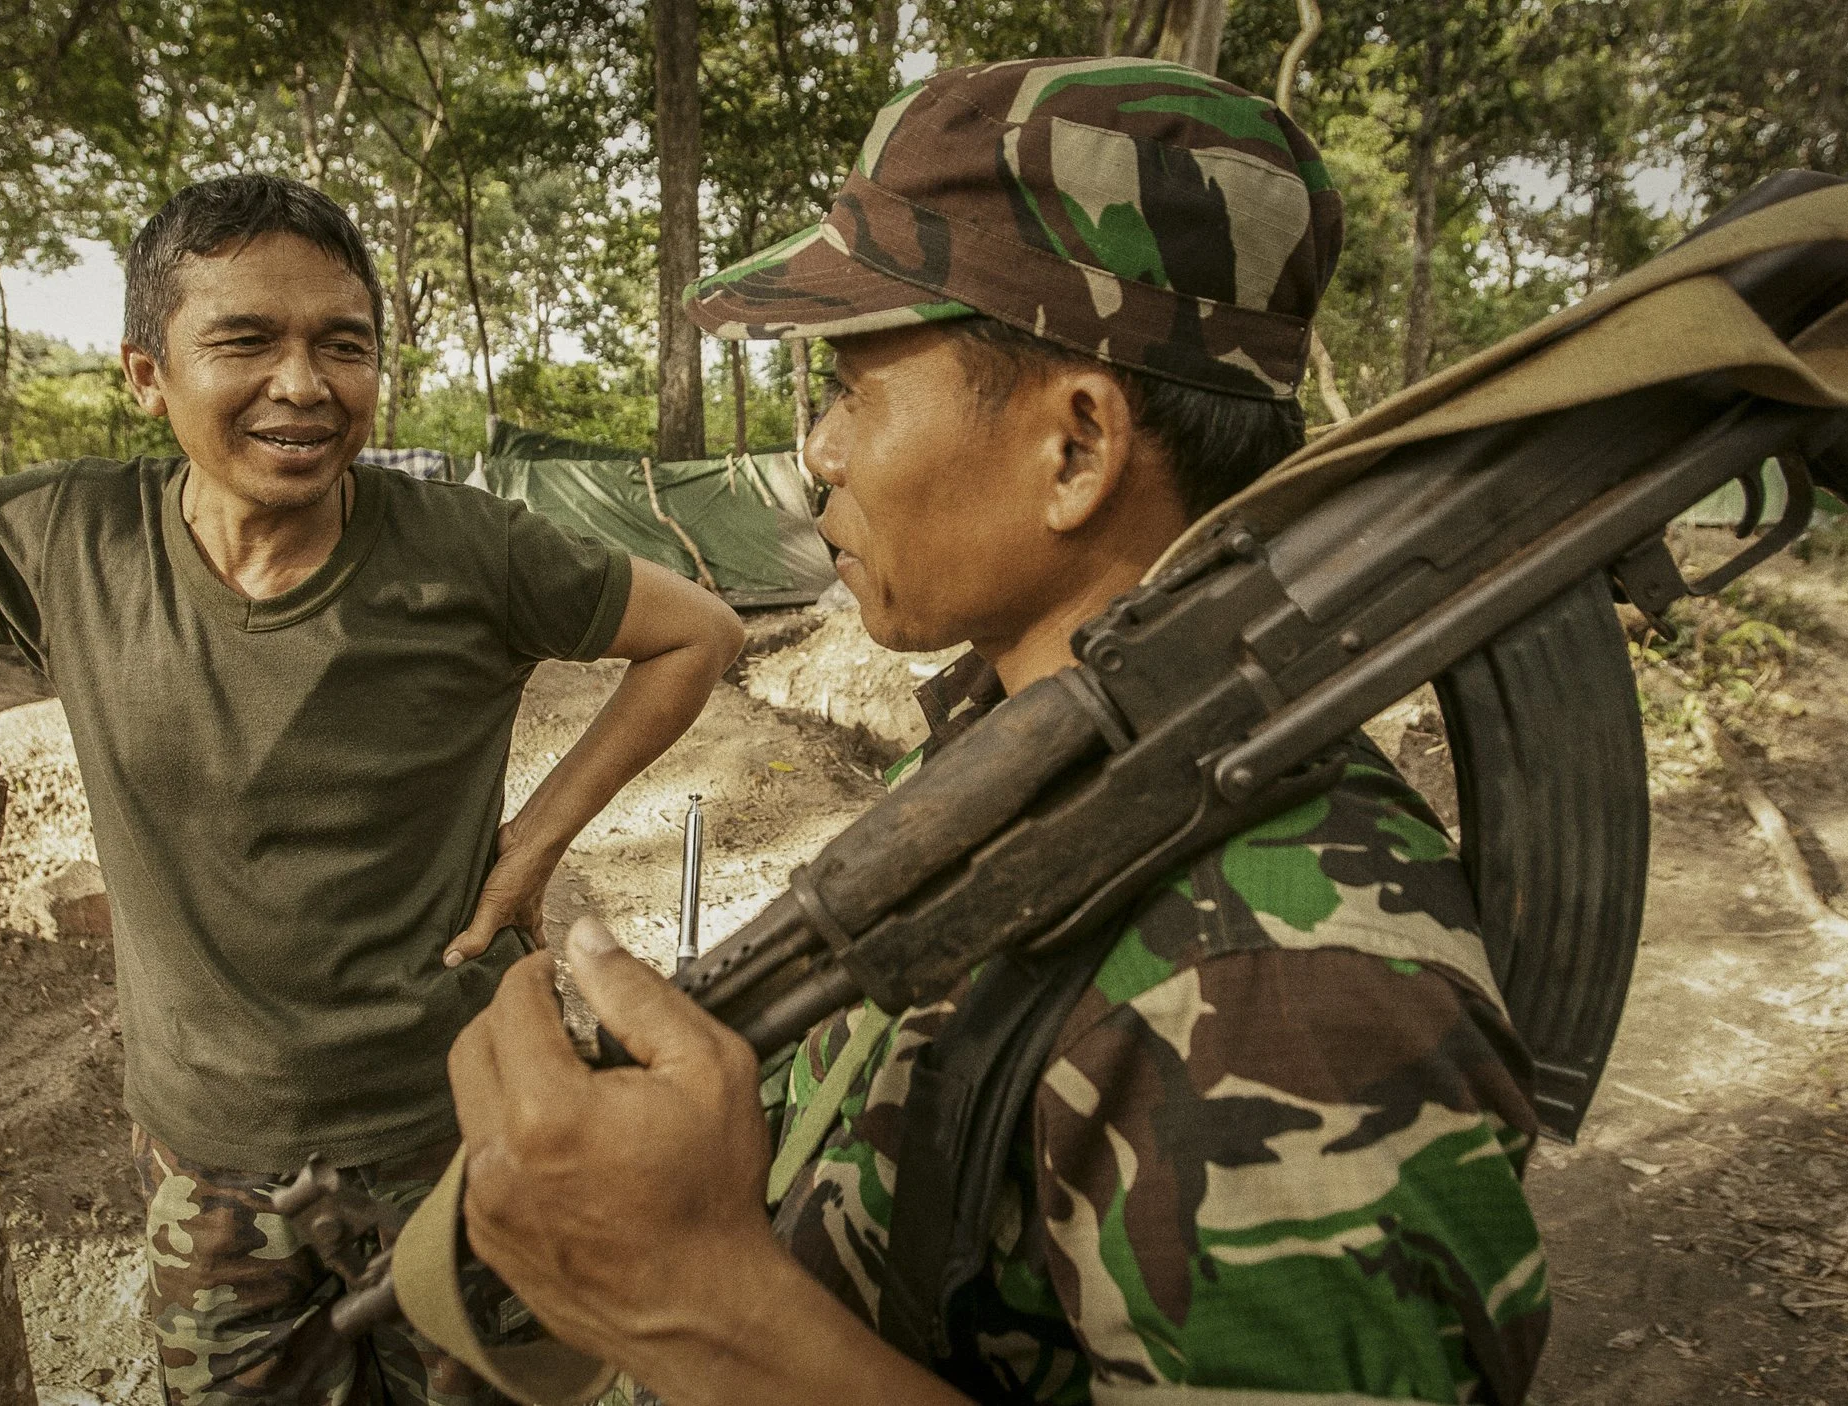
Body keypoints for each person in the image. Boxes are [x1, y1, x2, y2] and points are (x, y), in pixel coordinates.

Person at [445, 59, 1548, 1406]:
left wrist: (702, 1309)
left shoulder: (1284, 988)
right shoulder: (1042, 733)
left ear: (1077, 445)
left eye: (851, 384)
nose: (818, 454)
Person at [0, 84, 743, 1406]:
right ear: (148, 375)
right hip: (208, 1180)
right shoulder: (72, 538)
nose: (303, 383)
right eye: (246, 341)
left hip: (466, 1137)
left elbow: (696, 630)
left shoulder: (467, 550)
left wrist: (533, 844)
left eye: (342, 345)